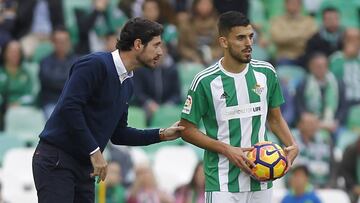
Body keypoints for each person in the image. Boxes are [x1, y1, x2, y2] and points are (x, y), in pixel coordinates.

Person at [32, 17, 184, 203]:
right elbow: (69, 108)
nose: (161, 52)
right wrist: (94, 151)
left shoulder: (128, 82)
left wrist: (161, 134)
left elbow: (119, 134)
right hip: (57, 160)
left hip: (84, 167)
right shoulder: (95, 64)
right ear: (138, 44)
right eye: (156, 45)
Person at [179, 11, 298, 203]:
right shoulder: (205, 81)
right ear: (224, 42)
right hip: (223, 181)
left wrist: (292, 145)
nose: (249, 43)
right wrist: (227, 149)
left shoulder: (266, 73)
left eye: (251, 36)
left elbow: (274, 118)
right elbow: (186, 130)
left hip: (262, 177)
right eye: (240, 38)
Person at [39, 26, 78, 119]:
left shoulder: (77, 61)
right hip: (52, 102)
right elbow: (49, 81)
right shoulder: (45, 61)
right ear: (53, 43)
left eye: (65, 41)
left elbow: (80, 82)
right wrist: (69, 81)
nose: (62, 44)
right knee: (54, 119)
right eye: (59, 41)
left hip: (73, 102)